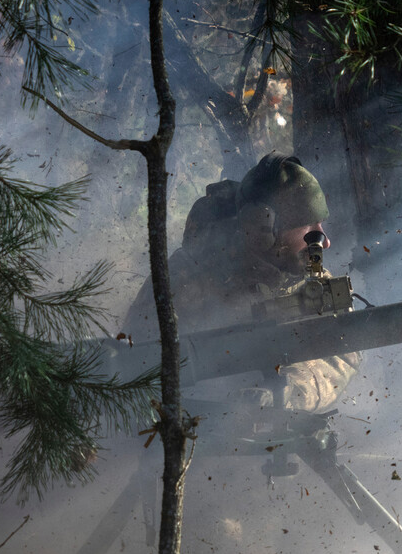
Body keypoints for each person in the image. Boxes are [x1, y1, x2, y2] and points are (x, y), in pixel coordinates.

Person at [123, 152, 359, 413]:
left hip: (285, 436)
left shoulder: (311, 278)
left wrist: (291, 390)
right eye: (308, 227)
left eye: (320, 224)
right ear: (264, 228)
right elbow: (131, 372)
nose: (324, 241)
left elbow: (342, 354)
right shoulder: (184, 280)